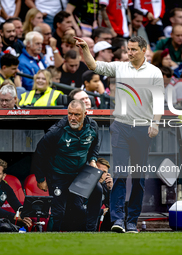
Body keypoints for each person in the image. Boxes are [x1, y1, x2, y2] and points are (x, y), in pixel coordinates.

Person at [74, 35, 164, 233]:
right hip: (121, 127)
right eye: (127, 50)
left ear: (143, 49)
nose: (129, 53)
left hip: (142, 129)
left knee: (138, 179)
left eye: (133, 50)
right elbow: (93, 66)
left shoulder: (155, 73)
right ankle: (117, 220)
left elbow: (159, 102)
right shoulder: (120, 67)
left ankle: (132, 221)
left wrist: (155, 124)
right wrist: (85, 49)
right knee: (120, 175)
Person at [33, 100, 102, 231]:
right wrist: (41, 179)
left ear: (85, 114)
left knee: (97, 192)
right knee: (58, 213)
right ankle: (50, 240)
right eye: (70, 114)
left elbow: (95, 144)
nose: (73, 118)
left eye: (77, 114)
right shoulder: (56, 131)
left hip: (80, 174)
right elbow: (39, 153)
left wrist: (93, 159)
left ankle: (91, 231)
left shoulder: (93, 126)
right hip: (59, 174)